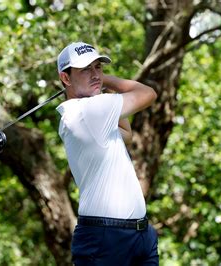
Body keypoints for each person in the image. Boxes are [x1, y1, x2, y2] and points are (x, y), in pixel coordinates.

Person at [55, 41, 158, 265]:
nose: (95, 74)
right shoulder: (88, 110)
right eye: (85, 69)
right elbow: (147, 93)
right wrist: (106, 80)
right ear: (66, 78)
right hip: (106, 238)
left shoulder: (91, 113)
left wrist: (97, 83)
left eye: (98, 68)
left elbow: (126, 134)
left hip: (138, 234)